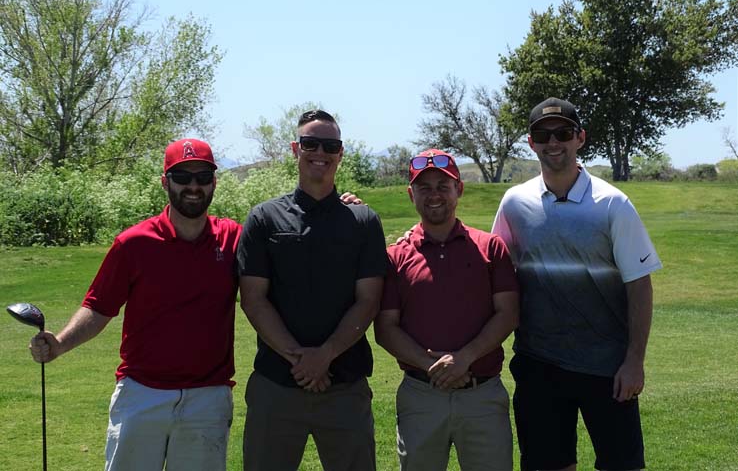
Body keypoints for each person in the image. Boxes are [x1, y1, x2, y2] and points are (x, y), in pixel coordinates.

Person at [29, 138, 241, 471]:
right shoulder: (134, 243)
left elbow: (287, 247)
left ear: (214, 181)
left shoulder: (233, 238)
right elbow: (99, 308)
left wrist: (347, 212)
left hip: (208, 398)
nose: (193, 186)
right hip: (142, 394)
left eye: (202, 176)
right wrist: (60, 344)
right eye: (182, 177)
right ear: (165, 182)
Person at [492, 97, 663, 471]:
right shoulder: (514, 203)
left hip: (608, 367)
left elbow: (639, 285)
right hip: (539, 365)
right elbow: (493, 266)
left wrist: (635, 361)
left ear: (580, 138)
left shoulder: (612, 204)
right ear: (531, 141)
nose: (554, 142)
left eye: (563, 133)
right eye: (543, 134)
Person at [237, 109, 387, 471]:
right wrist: (301, 360)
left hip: (345, 387)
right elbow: (253, 300)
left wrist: (326, 355)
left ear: (341, 152)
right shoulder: (264, 218)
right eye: (310, 143)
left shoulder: (363, 222)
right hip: (276, 384)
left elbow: (368, 301)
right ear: (295, 148)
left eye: (329, 145)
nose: (320, 151)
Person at [375, 149, 520, 471]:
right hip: (420, 395)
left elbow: (508, 314)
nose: (434, 194)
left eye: (443, 185)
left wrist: (464, 358)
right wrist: (434, 367)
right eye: (424, 188)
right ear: (411, 194)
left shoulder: (491, 247)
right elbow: (385, 329)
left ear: (459, 189)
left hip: (481, 394)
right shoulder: (395, 256)